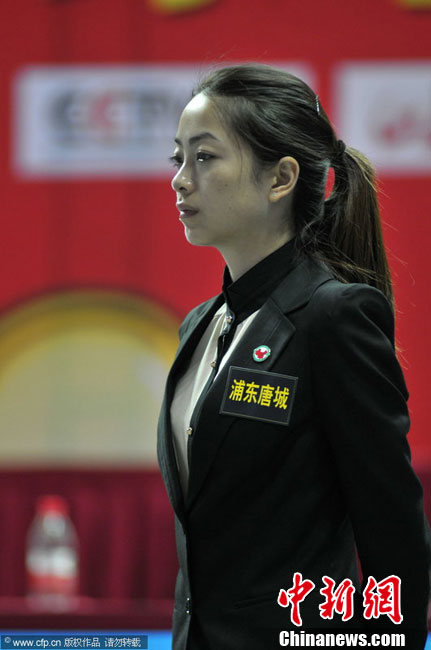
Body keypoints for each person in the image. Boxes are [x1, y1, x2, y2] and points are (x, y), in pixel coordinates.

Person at [157, 63, 430, 650]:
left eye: (204, 157)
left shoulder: (335, 317)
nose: (180, 179)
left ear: (280, 178)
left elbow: (394, 535)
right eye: (176, 158)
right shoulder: (197, 328)